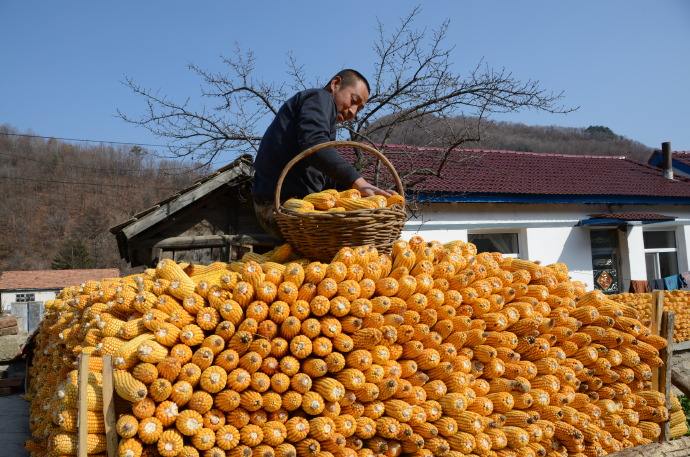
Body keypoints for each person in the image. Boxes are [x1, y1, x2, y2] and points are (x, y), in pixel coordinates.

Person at [252, 69, 391, 238]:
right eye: (353, 100)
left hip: (288, 203)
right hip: (281, 206)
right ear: (335, 84)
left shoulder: (323, 123)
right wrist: (358, 182)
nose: (353, 112)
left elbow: (323, 170)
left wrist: (357, 193)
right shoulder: (320, 98)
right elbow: (315, 145)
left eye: (359, 109)